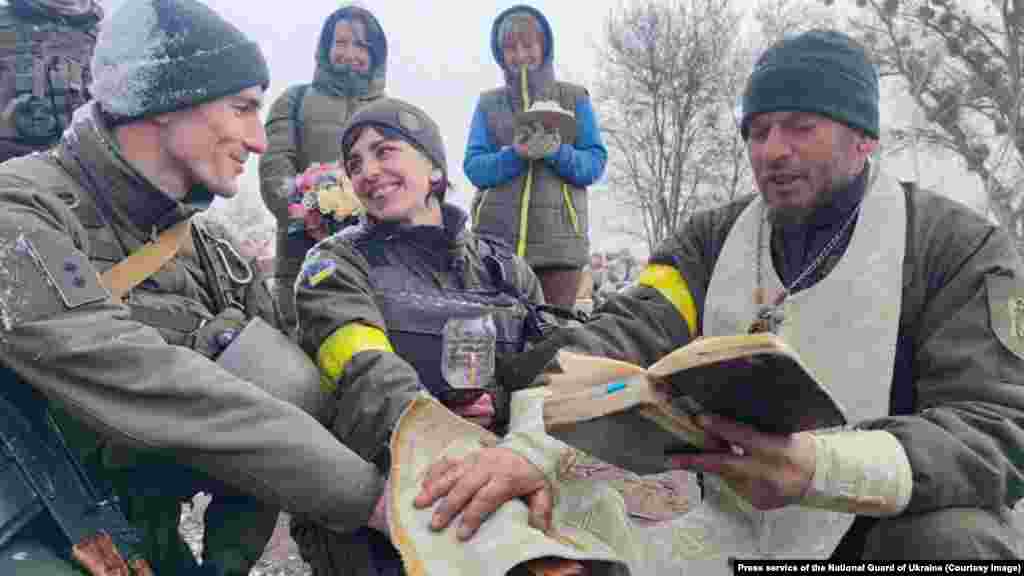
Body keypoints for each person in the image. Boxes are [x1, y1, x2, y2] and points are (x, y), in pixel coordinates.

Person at [414, 29, 1024, 565]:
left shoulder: (959, 248)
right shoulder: (709, 241)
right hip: (723, 516)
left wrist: (819, 470)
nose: (772, 150)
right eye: (757, 132)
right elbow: (627, 326)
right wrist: (528, 440)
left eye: (801, 127)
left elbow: (997, 427)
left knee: (956, 539)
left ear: (864, 138)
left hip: (875, 532)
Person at [0, 1, 394, 574]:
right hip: (30, 533)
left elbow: (288, 397)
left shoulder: (215, 254)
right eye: (242, 108)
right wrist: (370, 498)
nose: (259, 140)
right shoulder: (20, 210)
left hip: (143, 542)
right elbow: (152, 383)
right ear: (165, 101)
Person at [293, 96, 546, 575]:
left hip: (504, 491)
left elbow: (548, 378)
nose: (367, 171)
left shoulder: (508, 270)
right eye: (354, 163)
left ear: (434, 168)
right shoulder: (334, 265)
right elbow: (365, 375)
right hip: (387, 514)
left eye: (384, 151)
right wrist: (442, 431)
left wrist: (501, 410)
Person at [465, 4, 608, 310]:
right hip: (496, 248)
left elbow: (594, 163)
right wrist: (515, 155)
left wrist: (556, 152)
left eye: (528, 45)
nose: (520, 55)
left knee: (551, 338)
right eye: (510, 48)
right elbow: (474, 167)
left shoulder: (575, 98)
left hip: (560, 251)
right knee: (499, 337)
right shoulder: (489, 104)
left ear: (544, 47)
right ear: (500, 54)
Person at [259, 5, 387, 336]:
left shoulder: (389, 112)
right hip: (301, 254)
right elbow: (275, 168)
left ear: (375, 55)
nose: (350, 53)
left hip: (371, 257)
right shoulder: (294, 100)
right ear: (325, 48)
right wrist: (307, 216)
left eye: (361, 46)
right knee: (300, 346)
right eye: (340, 42)